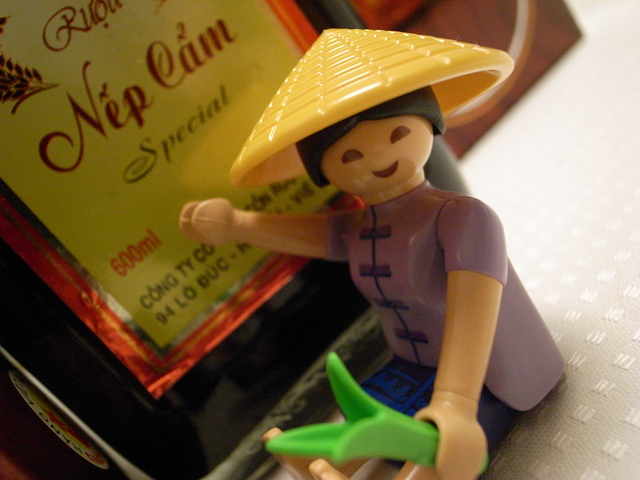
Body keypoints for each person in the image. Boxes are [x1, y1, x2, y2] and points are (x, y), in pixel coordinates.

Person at [180, 29, 564, 480]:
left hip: (487, 372)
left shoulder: (463, 218)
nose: (378, 159)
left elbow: (474, 314)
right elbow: (311, 233)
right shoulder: (360, 228)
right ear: (324, 170)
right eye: (350, 156)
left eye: (398, 132)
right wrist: (237, 224)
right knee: (368, 418)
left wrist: (455, 402)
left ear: (429, 123)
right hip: (413, 366)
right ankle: (325, 460)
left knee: (431, 447)